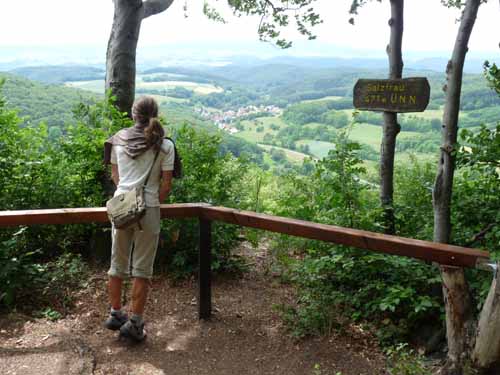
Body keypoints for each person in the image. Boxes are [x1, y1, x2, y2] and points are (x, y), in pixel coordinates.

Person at [103, 96, 174, 341]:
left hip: (121, 206)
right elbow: (165, 186)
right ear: (156, 114)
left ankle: (115, 313)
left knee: (117, 263)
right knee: (142, 270)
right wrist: (150, 201)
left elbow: (116, 176)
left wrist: (128, 197)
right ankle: (135, 323)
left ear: (133, 115)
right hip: (149, 209)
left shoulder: (117, 140)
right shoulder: (164, 145)